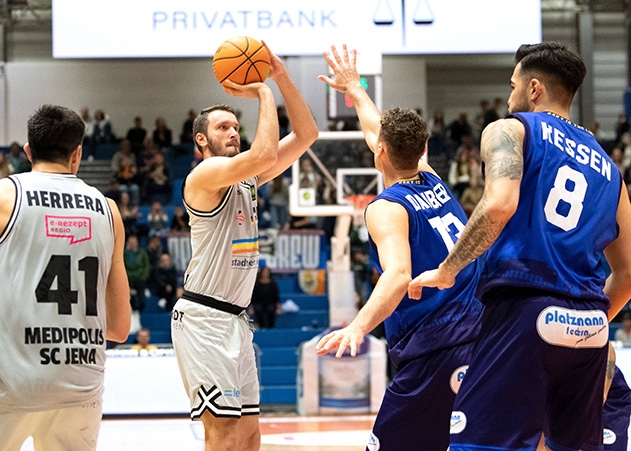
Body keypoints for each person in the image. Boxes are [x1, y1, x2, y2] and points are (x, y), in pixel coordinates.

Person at [408, 42, 631, 451]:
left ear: (533, 88)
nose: (510, 97)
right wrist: (582, 321)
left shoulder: (511, 130)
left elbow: (498, 205)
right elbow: (628, 272)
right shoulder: (610, 168)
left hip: (524, 309)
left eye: (512, 86)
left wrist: (447, 269)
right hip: (592, 327)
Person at [315, 45, 483, 451]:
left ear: (380, 152)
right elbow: (377, 131)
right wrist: (355, 88)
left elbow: (398, 275)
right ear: (423, 149)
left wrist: (357, 326)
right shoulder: (431, 177)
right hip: (482, 333)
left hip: (436, 347)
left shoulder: (387, 208)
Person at [169, 41, 318, 451]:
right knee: (224, 435)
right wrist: (263, 90)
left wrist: (282, 77)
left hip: (235, 319)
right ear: (201, 140)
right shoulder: (204, 175)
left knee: (250, 436)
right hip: (204, 319)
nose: (234, 132)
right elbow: (265, 153)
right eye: (223, 127)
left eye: (236, 127)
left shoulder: (246, 177)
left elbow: (307, 134)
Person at [0, 104, 130, 449]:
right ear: (77, 154)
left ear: (28, 151)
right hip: (80, 384)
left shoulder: (5, 196)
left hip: (13, 382)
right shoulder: (108, 210)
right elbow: (119, 327)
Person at [124, 234, 151, 332]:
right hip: (129, 281)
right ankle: (132, 322)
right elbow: (123, 267)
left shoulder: (142, 253)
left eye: (134, 241)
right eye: (130, 242)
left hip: (140, 280)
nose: (132, 243)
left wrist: (141, 277)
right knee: (131, 301)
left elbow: (146, 267)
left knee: (141, 301)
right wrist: (129, 277)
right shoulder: (125, 254)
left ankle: (138, 318)